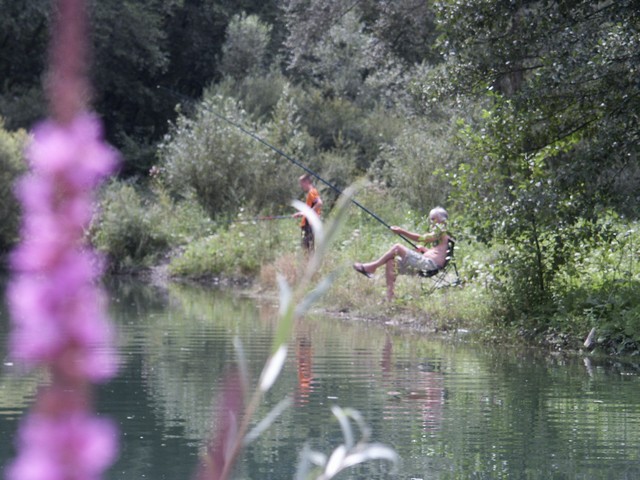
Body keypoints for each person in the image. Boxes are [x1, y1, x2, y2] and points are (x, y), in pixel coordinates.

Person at [353, 207, 451, 301]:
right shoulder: (440, 234)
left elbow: (422, 238)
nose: (431, 222)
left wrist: (401, 231)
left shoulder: (441, 230)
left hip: (430, 265)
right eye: (430, 220)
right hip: (424, 264)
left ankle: (373, 266)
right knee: (392, 261)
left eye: (433, 219)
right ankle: (389, 296)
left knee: (398, 247)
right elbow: (438, 251)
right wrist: (424, 250)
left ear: (442, 221)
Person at [292, 173, 323, 253]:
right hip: (308, 224)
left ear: (306, 182)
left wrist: (309, 213)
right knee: (307, 248)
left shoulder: (312, 192)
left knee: (308, 249)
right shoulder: (312, 192)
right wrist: (300, 213)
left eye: (302, 184)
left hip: (308, 224)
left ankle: (310, 264)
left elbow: (319, 203)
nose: (301, 186)